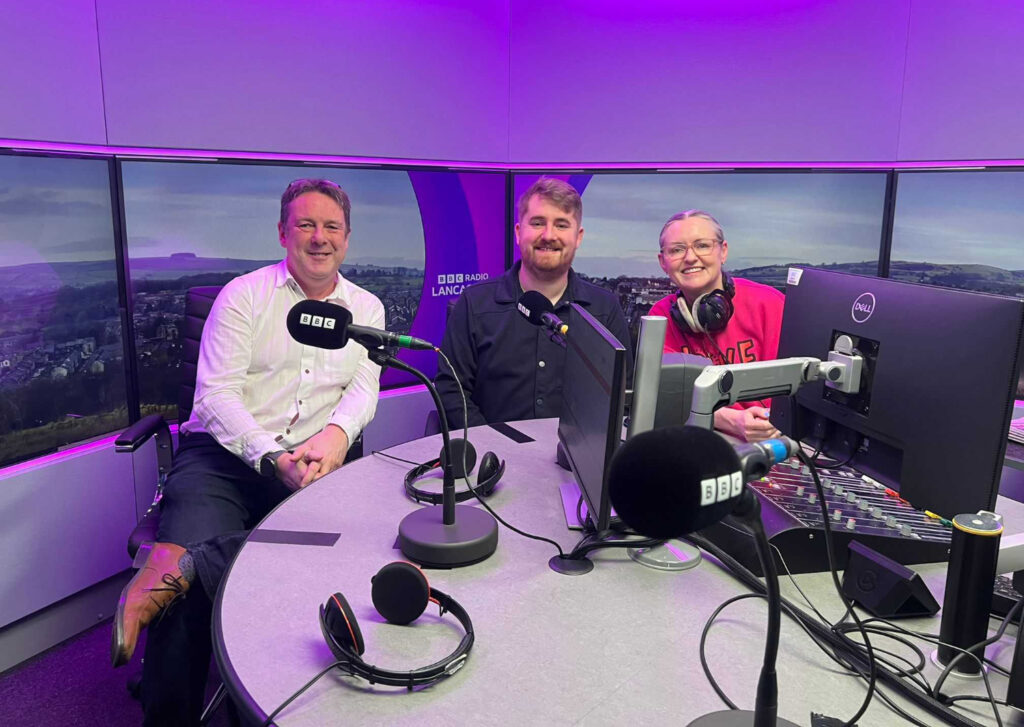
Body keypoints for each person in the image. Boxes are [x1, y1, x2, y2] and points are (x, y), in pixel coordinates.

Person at [111, 178, 385, 725]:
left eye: (331, 227)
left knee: (340, 562)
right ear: (283, 232)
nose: (319, 238)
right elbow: (215, 398)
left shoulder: (367, 309)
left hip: (316, 462)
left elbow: (362, 389)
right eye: (305, 224)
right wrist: (271, 456)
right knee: (182, 591)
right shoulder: (244, 296)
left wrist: (333, 440)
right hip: (226, 461)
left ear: (348, 239)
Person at [436, 177, 631, 428]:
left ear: (578, 237)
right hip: (493, 458)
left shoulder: (605, 309)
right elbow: (451, 390)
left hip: (575, 460)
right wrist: (492, 446)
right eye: (538, 223)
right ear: (519, 232)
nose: (548, 235)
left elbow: (621, 397)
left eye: (561, 225)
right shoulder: (473, 304)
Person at [649, 210, 784, 442]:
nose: (690, 258)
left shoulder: (770, 304)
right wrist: (727, 419)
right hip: (696, 441)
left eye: (702, 245)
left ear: (723, 251)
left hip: (770, 441)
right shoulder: (659, 317)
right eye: (677, 250)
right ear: (663, 262)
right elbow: (667, 400)